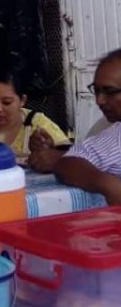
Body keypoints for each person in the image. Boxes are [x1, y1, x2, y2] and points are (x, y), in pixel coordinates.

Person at [54, 48, 121, 204]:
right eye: (96, 91)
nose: (99, 101)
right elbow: (67, 163)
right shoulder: (115, 139)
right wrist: (108, 185)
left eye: (109, 91)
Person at [0, 72, 70, 172]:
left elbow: (72, 158)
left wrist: (52, 152)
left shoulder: (36, 123)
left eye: (7, 102)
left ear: (22, 100)